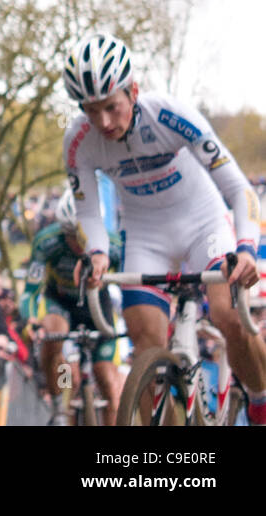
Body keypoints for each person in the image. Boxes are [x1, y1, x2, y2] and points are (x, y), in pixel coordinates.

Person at [64, 33, 266, 425]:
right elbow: (88, 213)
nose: (103, 121)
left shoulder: (171, 115)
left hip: (204, 225)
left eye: (111, 106)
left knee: (227, 315)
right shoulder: (78, 141)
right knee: (144, 346)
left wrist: (244, 248)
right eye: (91, 111)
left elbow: (238, 188)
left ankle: (259, 399)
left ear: (133, 90)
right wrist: (97, 255)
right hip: (146, 237)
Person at [20, 191, 122, 426]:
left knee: (107, 381)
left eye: (83, 237)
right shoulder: (47, 242)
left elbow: (129, 284)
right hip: (61, 302)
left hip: (97, 305)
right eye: (70, 235)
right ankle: (59, 406)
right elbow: (30, 291)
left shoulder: (113, 244)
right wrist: (31, 320)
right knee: (64, 362)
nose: (77, 244)